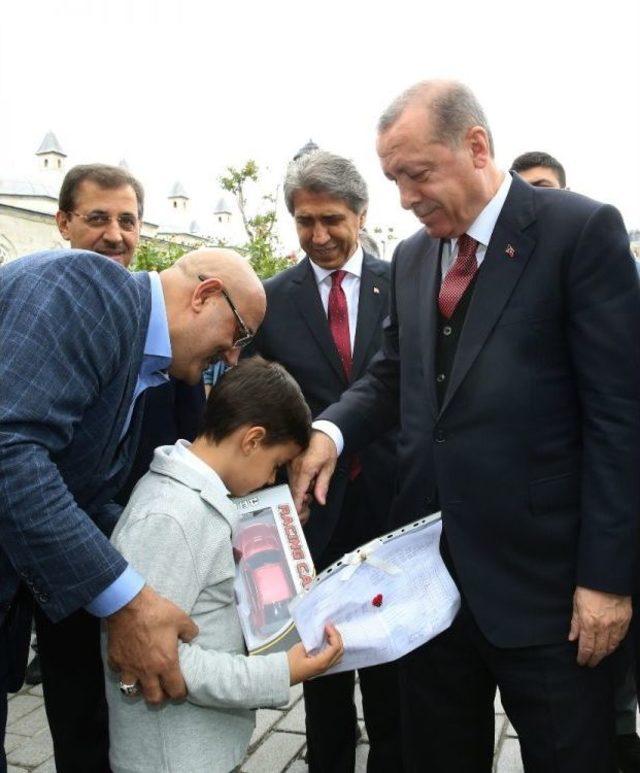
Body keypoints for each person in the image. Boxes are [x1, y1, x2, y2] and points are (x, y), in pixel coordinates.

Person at [290, 80, 640, 772]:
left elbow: (619, 416)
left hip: (549, 590)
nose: (405, 197)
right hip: (433, 586)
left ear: (476, 147)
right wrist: (330, 431)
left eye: (416, 174)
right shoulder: (418, 256)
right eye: (394, 179)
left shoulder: (579, 233)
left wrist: (608, 578)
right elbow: (395, 373)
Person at [0, 247, 265, 773]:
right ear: (206, 295)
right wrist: (128, 600)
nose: (233, 357)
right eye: (238, 336)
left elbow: (77, 496)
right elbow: (10, 452)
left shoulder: (136, 358)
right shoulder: (85, 290)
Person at [22, 164, 207, 771]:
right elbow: (16, 454)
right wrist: (125, 595)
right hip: (68, 556)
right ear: (63, 223)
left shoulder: (158, 344)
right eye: (97, 218)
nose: (115, 235)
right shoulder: (73, 291)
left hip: (99, 547)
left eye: (128, 221)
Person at [102, 357, 343, 773]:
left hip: (195, 750)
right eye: (274, 466)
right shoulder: (171, 516)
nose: (271, 482)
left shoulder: (197, 500)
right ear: (251, 440)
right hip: (171, 759)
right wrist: (280, 670)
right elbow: (158, 659)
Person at [247, 149, 403, 773]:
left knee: (394, 660)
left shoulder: (406, 283)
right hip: (310, 512)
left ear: (362, 214)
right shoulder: (270, 300)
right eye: (305, 221)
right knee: (323, 660)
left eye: (332, 220)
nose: (319, 236)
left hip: (394, 500)